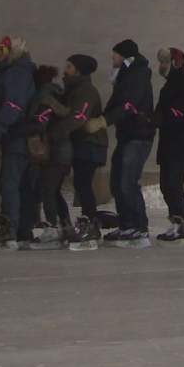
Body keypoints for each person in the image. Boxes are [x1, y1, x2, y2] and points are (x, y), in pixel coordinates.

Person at [85, 39, 155, 248]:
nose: (111, 57)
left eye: (115, 54)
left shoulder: (137, 75)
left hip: (138, 135)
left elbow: (128, 104)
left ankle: (139, 227)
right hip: (127, 135)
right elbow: (116, 103)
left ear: (125, 57)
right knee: (117, 180)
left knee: (127, 180)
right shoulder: (125, 75)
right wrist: (101, 118)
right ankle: (126, 224)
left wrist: (104, 121)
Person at [56, 55, 107, 250]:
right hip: (82, 144)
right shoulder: (74, 88)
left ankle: (91, 223)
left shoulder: (85, 91)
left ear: (78, 70)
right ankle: (89, 221)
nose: (65, 70)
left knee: (83, 183)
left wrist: (57, 131)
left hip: (91, 144)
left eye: (69, 67)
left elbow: (79, 116)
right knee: (81, 184)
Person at [0, 36, 36, 249]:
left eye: (3, 49)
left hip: (16, 137)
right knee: (18, 184)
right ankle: (22, 229)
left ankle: (10, 230)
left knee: (9, 184)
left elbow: (13, 105)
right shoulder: (14, 72)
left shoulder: (16, 73)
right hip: (17, 136)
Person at [154, 48, 184, 245]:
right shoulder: (169, 86)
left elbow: (178, 113)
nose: (161, 66)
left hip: (179, 143)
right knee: (166, 184)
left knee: (173, 183)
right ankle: (175, 221)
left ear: (175, 63)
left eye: (165, 62)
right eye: (161, 62)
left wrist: (159, 118)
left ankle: (181, 223)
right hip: (169, 142)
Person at [23, 65, 68, 249]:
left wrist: (24, 128)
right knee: (54, 190)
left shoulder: (43, 98)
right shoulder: (58, 95)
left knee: (47, 190)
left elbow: (40, 123)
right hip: (61, 150)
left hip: (52, 150)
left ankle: (52, 228)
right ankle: (65, 226)